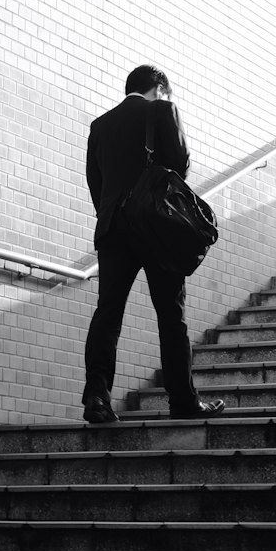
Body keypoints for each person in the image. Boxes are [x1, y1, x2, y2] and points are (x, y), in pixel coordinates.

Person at [81, 66, 226, 424]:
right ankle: (183, 401)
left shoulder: (100, 125)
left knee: (108, 313)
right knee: (171, 318)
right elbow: (180, 166)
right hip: (157, 229)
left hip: (114, 229)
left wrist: (118, 215)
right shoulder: (162, 110)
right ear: (159, 89)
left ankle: (97, 397)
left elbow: (95, 184)